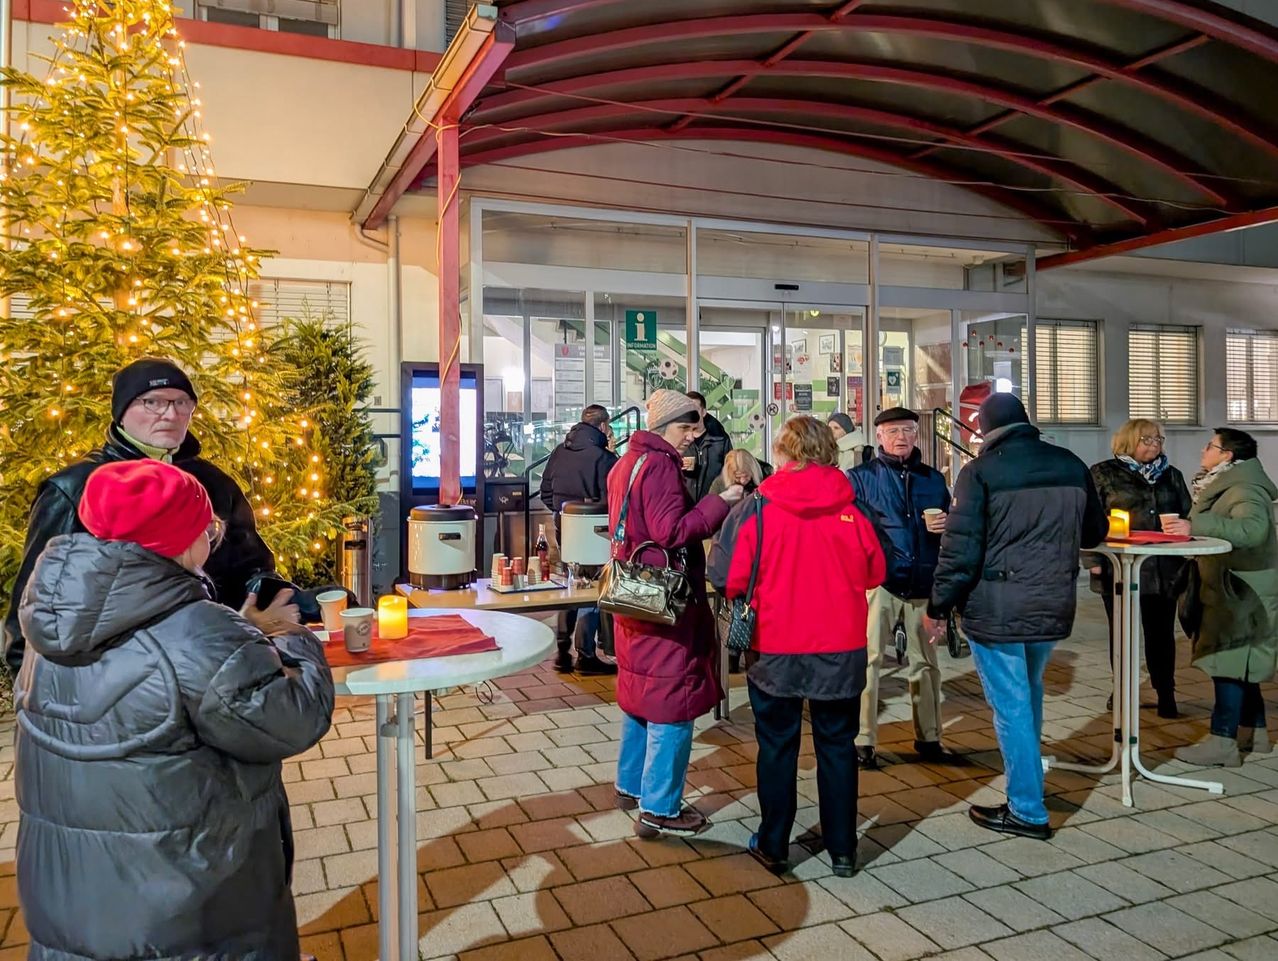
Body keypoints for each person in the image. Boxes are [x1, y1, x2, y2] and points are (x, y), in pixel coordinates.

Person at [13, 459, 334, 960]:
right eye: (208, 528)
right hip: (189, 912)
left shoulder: (53, 620)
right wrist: (292, 638)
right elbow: (293, 717)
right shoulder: (195, 631)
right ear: (182, 540)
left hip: (76, 908)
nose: (212, 538)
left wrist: (239, 632)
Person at [4, 357, 294, 674]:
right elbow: (34, 612)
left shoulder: (211, 483)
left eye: (181, 402)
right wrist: (34, 687)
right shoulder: (74, 489)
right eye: (152, 402)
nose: (170, 414)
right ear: (121, 411)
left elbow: (250, 565)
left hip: (210, 666)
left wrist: (278, 601)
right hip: (117, 682)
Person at [709, 416, 885, 878]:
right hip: (840, 645)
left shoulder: (757, 507)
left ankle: (773, 845)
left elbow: (727, 577)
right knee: (837, 746)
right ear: (828, 451)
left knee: (777, 746)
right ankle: (843, 849)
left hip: (775, 645)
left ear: (784, 453)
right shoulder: (852, 507)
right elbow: (875, 572)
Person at [929, 393, 1106, 840]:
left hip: (998, 607)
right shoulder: (1069, 464)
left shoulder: (980, 472)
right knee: (1029, 694)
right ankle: (1031, 785)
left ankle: (1027, 809)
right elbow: (1094, 531)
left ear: (986, 429)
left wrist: (938, 606)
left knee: (1011, 706)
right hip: (1053, 600)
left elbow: (960, 552)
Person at [608, 389, 743, 837]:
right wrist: (721, 502)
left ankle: (630, 784)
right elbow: (672, 532)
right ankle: (660, 808)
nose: (691, 436)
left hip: (634, 596)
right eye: (686, 427)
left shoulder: (626, 463)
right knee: (672, 699)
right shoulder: (661, 466)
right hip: (665, 602)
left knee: (640, 692)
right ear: (664, 426)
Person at [850, 406, 954, 768]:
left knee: (926, 664)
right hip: (878, 581)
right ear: (879, 436)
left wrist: (945, 525)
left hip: (923, 580)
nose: (901, 437)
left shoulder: (933, 480)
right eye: (893, 431)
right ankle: (863, 739)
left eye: (908, 430)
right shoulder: (860, 478)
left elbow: (950, 525)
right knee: (869, 660)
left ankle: (930, 737)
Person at [1168, 429, 1277, 767]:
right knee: (1240, 661)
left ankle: (1222, 741)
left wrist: (1197, 526)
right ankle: (1254, 732)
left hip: (1241, 591)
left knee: (1228, 661)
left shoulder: (1244, 488)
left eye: (1210, 445)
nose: (1204, 450)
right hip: (1234, 587)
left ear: (1227, 455)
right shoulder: (1228, 483)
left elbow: (1253, 530)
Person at [1086, 419, 1192, 718]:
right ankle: (1122, 690)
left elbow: (1186, 512)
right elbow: (1088, 519)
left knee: (1161, 635)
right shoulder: (1104, 473)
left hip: (1163, 569)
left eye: (1158, 439)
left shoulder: (1171, 475)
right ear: (1129, 441)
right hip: (1120, 568)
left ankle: (1166, 692)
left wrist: (1185, 531)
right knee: (1122, 635)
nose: (1155, 445)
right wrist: (1093, 561)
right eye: (1147, 439)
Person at [539, 404, 620, 675]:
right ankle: (586, 654)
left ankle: (562, 651)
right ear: (603, 426)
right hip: (596, 531)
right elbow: (614, 498)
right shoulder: (603, 458)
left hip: (564, 526)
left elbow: (546, 490)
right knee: (591, 589)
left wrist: (563, 512)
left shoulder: (559, 452)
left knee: (571, 584)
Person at [682, 390, 733, 501]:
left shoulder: (721, 440)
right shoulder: (680, 440)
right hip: (686, 506)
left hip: (714, 504)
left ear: (704, 412)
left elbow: (731, 471)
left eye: (695, 409)